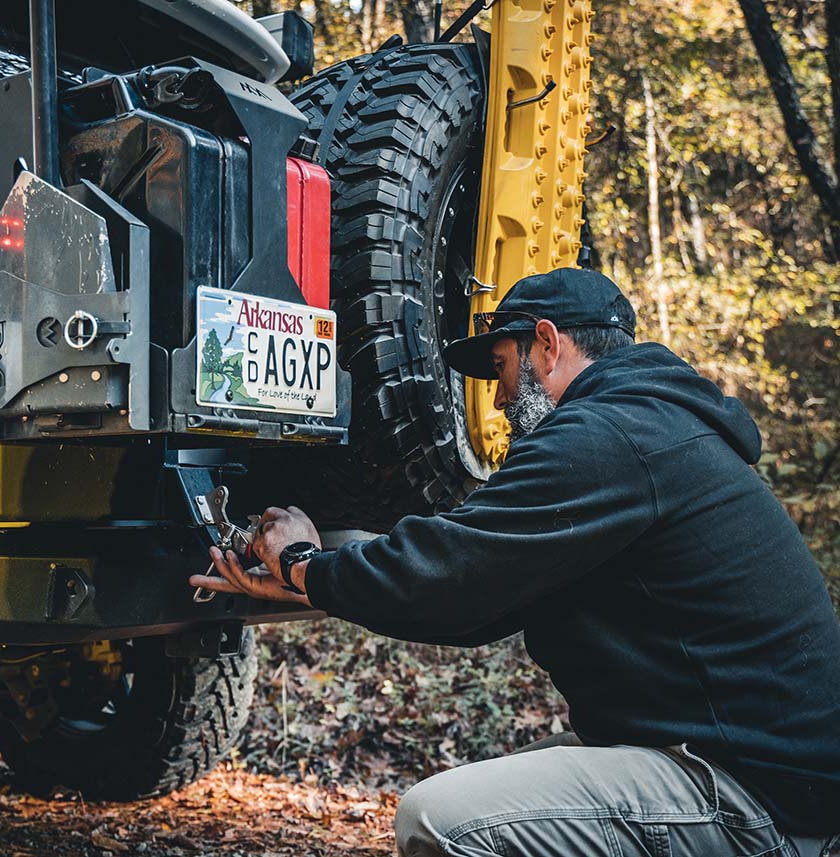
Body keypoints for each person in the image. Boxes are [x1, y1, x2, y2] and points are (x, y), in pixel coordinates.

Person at [189, 267, 840, 857]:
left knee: (440, 818)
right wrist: (316, 585)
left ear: (548, 344)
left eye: (501, 365)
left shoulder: (606, 437)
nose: (499, 399)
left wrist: (304, 559)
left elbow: (453, 564)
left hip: (756, 796)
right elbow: (480, 600)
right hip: (759, 772)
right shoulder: (652, 428)